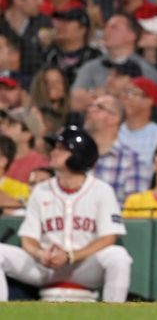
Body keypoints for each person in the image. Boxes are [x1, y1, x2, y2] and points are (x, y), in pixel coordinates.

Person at [0, 125, 132, 302]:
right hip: (45, 267)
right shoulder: (41, 190)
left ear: (79, 155)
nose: (54, 152)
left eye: (61, 149)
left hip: (83, 268)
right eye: (54, 148)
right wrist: (40, 254)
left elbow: (109, 237)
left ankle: (115, 314)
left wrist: (71, 256)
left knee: (118, 256)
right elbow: (28, 239)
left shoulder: (101, 190)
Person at [84, 94, 147, 205]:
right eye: (91, 106)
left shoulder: (132, 161)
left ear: (114, 118)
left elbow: (134, 213)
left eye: (98, 107)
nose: (90, 110)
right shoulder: (77, 156)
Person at [118, 77, 157, 168]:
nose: (126, 97)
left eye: (132, 93)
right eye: (126, 92)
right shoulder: (114, 129)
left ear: (149, 101)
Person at [44, 8, 101, 86]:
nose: (61, 25)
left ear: (82, 29)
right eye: (61, 21)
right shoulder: (49, 55)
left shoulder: (94, 57)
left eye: (68, 22)